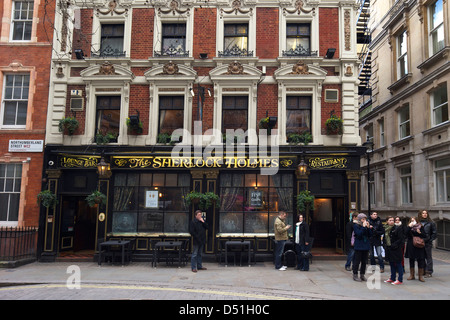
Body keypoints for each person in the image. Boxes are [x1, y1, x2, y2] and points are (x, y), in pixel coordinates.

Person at [405, 217, 428, 282]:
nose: (413, 222)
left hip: (419, 245)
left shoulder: (421, 227)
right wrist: (409, 227)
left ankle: (420, 276)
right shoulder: (409, 227)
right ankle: (412, 275)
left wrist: (420, 232)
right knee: (411, 260)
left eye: (414, 220)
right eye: (411, 220)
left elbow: (425, 236)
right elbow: (405, 234)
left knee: (420, 260)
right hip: (411, 245)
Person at [384, 216, 405, 285]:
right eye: (390, 220)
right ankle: (392, 278)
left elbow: (400, 239)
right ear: (387, 221)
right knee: (391, 264)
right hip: (389, 248)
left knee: (398, 264)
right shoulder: (386, 228)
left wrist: (394, 245)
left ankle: (400, 279)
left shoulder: (397, 228)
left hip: (396, 248)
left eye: (393, 220)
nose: (392, 221)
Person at [352, 213, 373, 282]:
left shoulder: (365, 225)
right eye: (363, 219)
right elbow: (359, 234)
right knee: (357, 261)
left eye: (365, 219)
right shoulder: (356, 225)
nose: (364, 220)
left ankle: (362, 274)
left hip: (365, 245)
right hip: (359, 246)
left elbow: (370, 235)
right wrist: (363, 227)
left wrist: (368, 228)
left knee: (364, 262)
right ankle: (355, 274)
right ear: (360, 219)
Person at [418, 210, 437, 278]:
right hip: (420, 242)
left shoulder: (431, 223)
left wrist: (430, 240)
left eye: (426, 213)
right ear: (420, 214)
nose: (425, 214)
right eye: (423, 213)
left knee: (428, 257)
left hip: (427, 242)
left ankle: (429, 271)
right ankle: (423, 270)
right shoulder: (418, 222)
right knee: (421, 257)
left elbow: (434, 233)